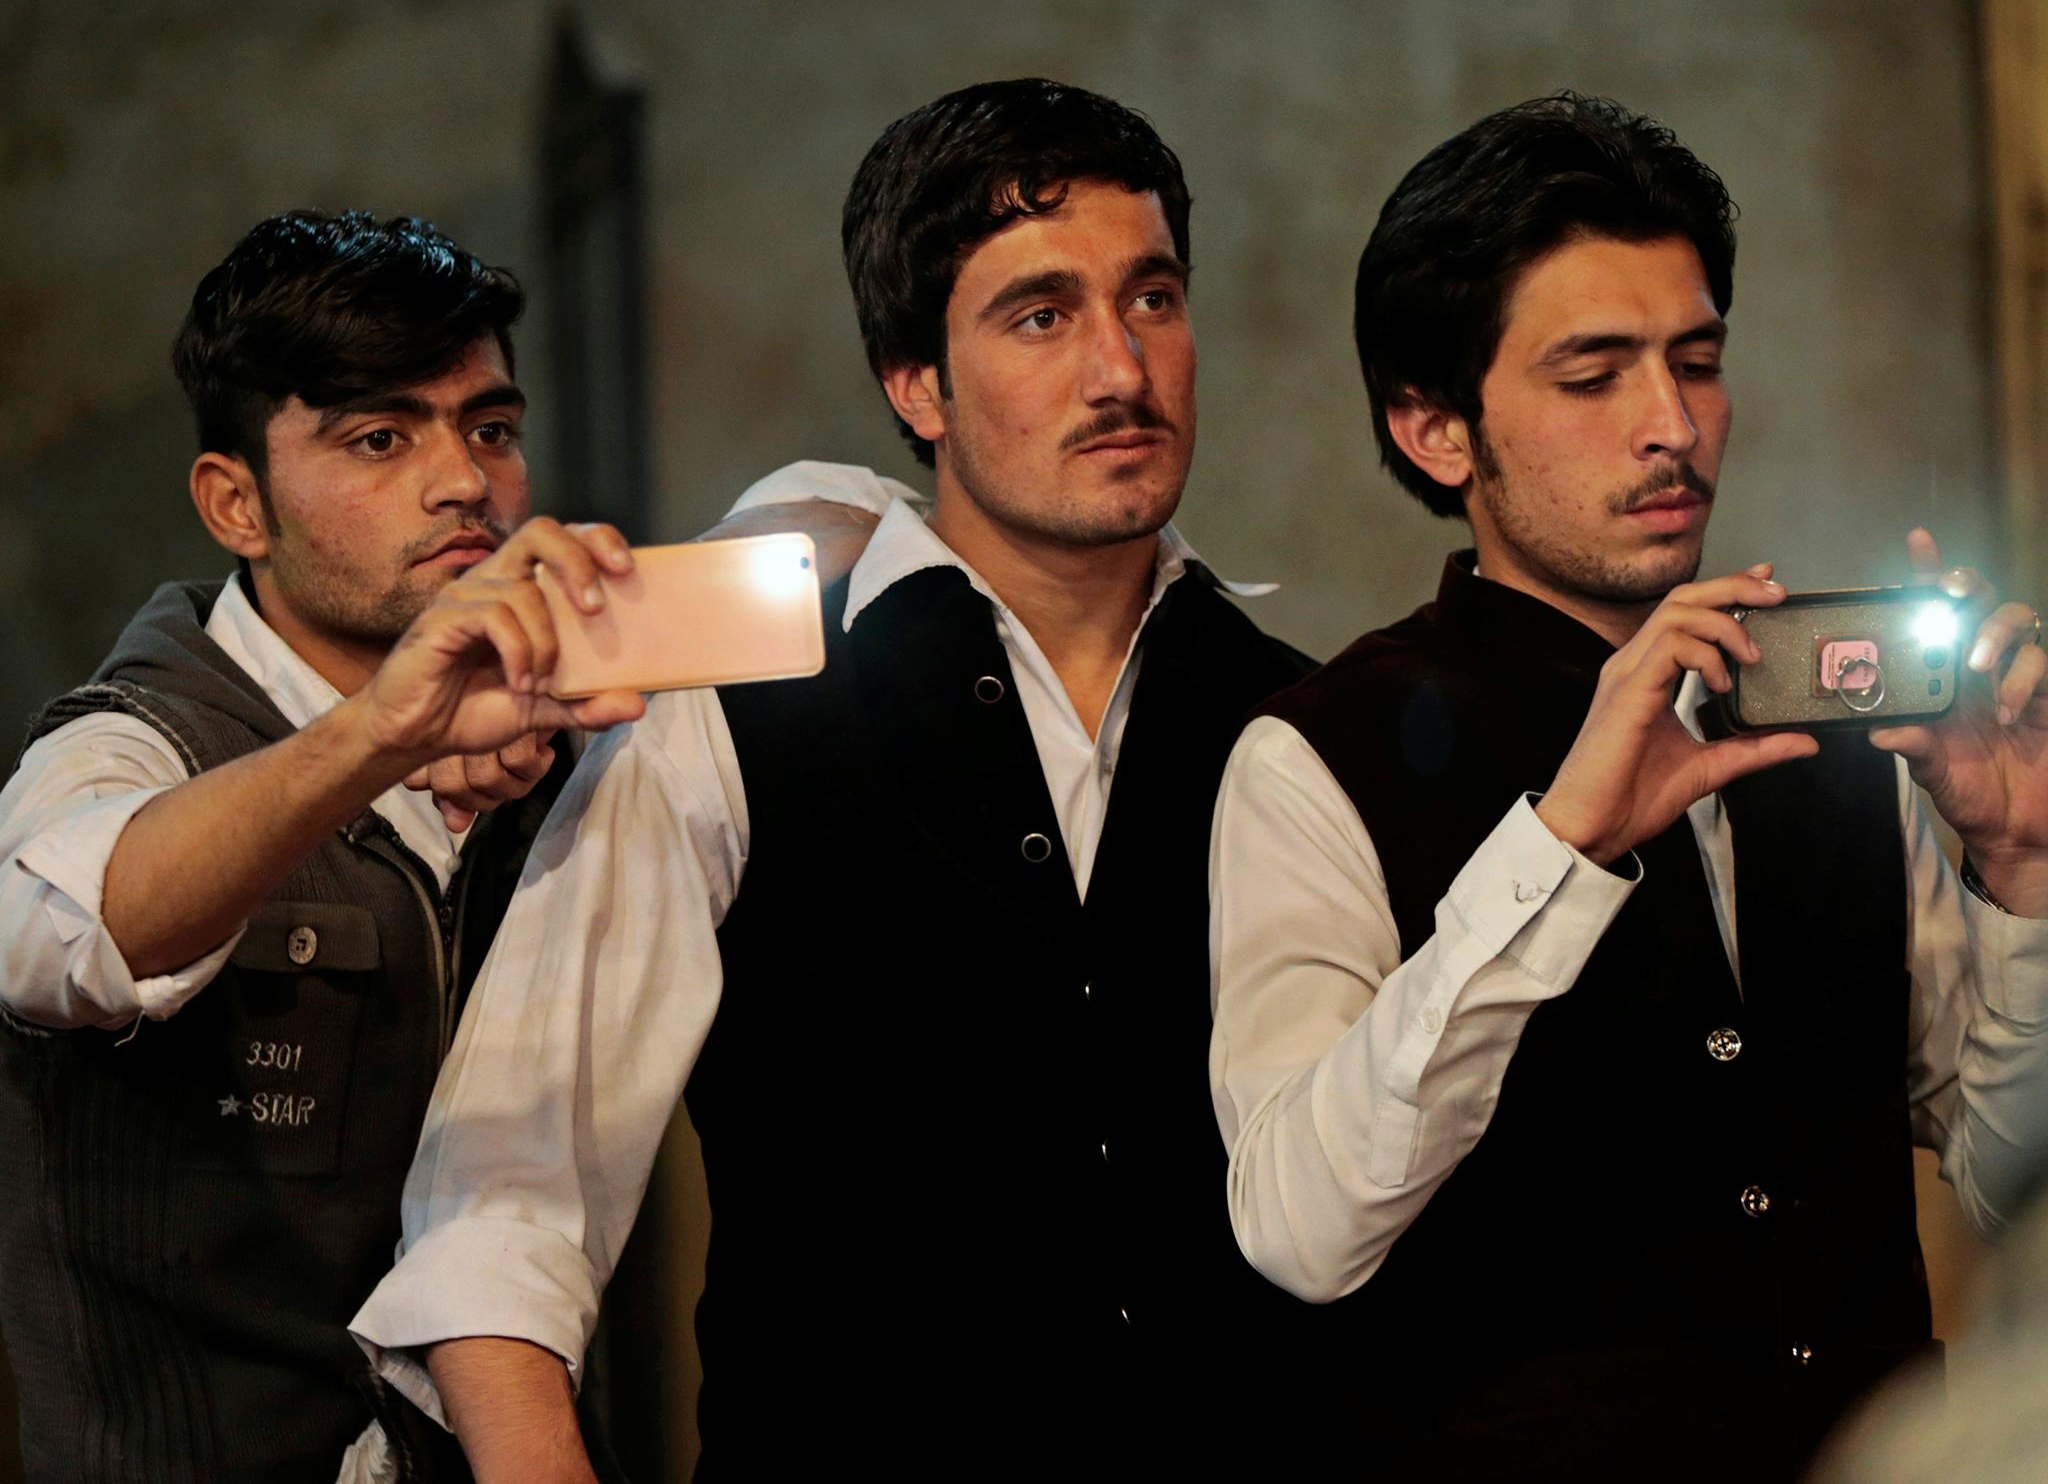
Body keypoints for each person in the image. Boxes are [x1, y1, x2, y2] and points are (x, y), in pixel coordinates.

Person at [350, 78, 1316, 1479]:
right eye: (1040, 315)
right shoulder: (737, 704)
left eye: (1153, 298)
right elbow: (506, 1202)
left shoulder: (1286, 709)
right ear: (914, 383)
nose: (1121, 369)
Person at [1208, 91, 2048, 1481]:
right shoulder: (1311, 757)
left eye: (1697, 360)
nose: (1672, 423)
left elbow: (2006, 1182)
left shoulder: (1841, 725)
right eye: (1594, 375)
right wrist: (1560, 845)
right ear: (1436, 430)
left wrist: (2019, 872)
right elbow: (1301, 1228)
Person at [0, 210, 864, 1484]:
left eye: (490, 429)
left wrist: (638, 612)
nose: (462, 480)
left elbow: (860, 510)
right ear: (235, 502)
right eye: (379, 437)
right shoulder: (129, 734)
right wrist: (379, 736)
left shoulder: (563, 695)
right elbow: (55, 933)